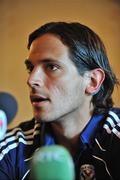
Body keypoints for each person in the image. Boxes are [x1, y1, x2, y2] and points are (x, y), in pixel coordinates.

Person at [0, 21, 120, 180]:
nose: (31, 80)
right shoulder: (11, 149)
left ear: (92, 81)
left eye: (51, 67)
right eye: (31, 68)